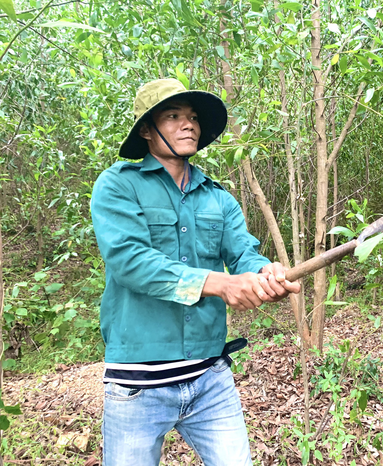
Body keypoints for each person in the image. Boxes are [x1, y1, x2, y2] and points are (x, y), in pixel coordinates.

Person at [90, 78, 300, 466]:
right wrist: (219, 283)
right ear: (147, 131)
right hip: (139, 385)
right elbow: (129, 260)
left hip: (211, 379)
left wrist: (267, 273)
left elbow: (243, 255)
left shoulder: (218, 197)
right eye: (173, 116)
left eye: (192, 117)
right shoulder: (119, 186)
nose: (189, 124)